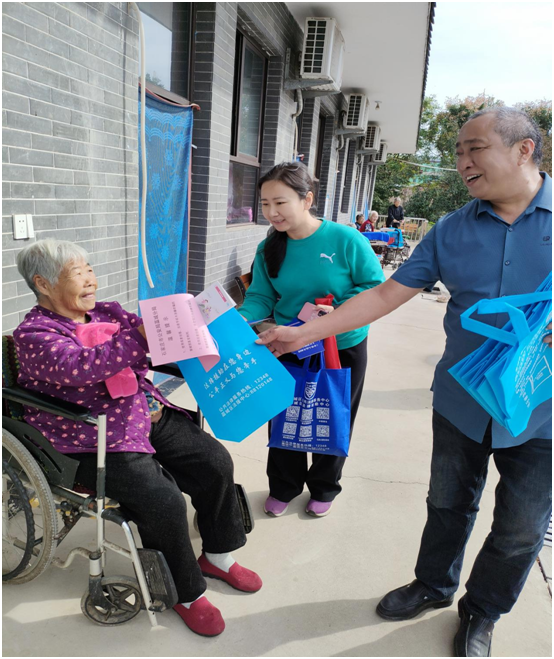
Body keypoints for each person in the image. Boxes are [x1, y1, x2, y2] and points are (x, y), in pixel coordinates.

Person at [256, 108, 552, 657]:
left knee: (521, 527)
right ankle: (433, 585)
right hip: (463, 402)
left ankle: (483, 612)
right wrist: (304, 334)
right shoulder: (452, 230)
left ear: (524, 150)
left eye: (474, 148)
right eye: (458, 152)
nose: (462, 162)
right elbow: (385, 294)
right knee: (447, 504)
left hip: (543, 415)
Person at [13, 239, 262, 638]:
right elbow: (80, 366)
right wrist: (142, 337)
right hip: (88, 435)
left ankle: (217, 555)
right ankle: (185, 593)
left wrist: (195, 327)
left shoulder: (106, 311)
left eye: (89, 268)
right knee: (163, 500)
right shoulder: (33, 334)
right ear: (43, 283)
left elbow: (154, 341)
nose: (90, 280)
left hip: (141, 412)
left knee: (213, 461)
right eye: (77, 273)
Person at [239, 162, 385, 518]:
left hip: (341, 345)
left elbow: (374, 286)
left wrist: (335, 312)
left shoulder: (346, 240)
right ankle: (283, 486)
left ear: (307, 200)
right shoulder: (269, 248)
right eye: (265, 204)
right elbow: (260, 296)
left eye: (280, 202)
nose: (272, 212)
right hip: (289, 344)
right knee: (285, 416)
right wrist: (236, 322)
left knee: (332, 416)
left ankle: (324, 487)